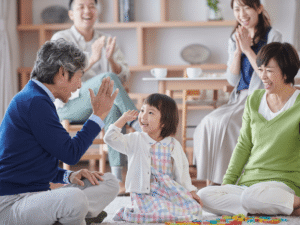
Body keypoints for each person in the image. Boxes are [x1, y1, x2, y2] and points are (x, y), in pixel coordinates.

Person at [0, 39, 120, 225]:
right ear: (62, 73)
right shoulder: (34, 102)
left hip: (34, 195)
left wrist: (69, 176)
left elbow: (34, 166)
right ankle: (70, 216)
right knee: (73, 198)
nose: (79, 85)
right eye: (79, 77)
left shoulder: (38, 98)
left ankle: (66, 217)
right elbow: (71, 154)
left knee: (109, 182)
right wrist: (97, 116)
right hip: (11, 203)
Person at [197, 42, 300, 216]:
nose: (263, 76)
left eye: (269, 70)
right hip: (249, 184)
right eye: (260, 70)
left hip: (283, 183)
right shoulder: (254, 99)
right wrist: (227, 185)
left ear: (286, 72)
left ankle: (292, 202)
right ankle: (271, 207)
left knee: (252, 198)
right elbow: (243, 145)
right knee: (204, 195)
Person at [193, 0, 282, 185]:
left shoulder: (273, 36)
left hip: (262, 98)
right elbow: (232, 80)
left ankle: (228, 181)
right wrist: (237, 50)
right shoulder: (235, 36)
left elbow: (269, 75)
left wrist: (248, 49)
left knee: (227, 123)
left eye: (246, 7)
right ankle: (212, 182)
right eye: (237, 9)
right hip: (239, 98)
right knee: (207, 123)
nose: (242, 14)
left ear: (258, 8)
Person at [51, 0, 141, 181]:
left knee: (113, 108)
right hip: (69, 105)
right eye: (81, 6)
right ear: (71, 14)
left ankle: (116, 178)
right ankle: (139, 123)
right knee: (106, 79)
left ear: (97, 11)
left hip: (99, 105)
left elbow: (123, 76)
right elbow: (60, 76)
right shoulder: (60, 39)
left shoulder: (106, 39)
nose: (87, 10)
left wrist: (111, 60)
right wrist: (92, 59)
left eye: (91, 6)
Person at [104, 93, 202, 223]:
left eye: (150, 113)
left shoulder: (173, 144)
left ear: (164, 122)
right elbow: (110, 138)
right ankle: (129, 214)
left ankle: (153, 213)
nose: (143, 116)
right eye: (142, 110)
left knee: (195, 209)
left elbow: (183, 172)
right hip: (145, 194)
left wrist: (190, 191)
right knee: (162, 210)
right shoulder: (136, 139)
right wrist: (122, 119)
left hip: (168, 191)